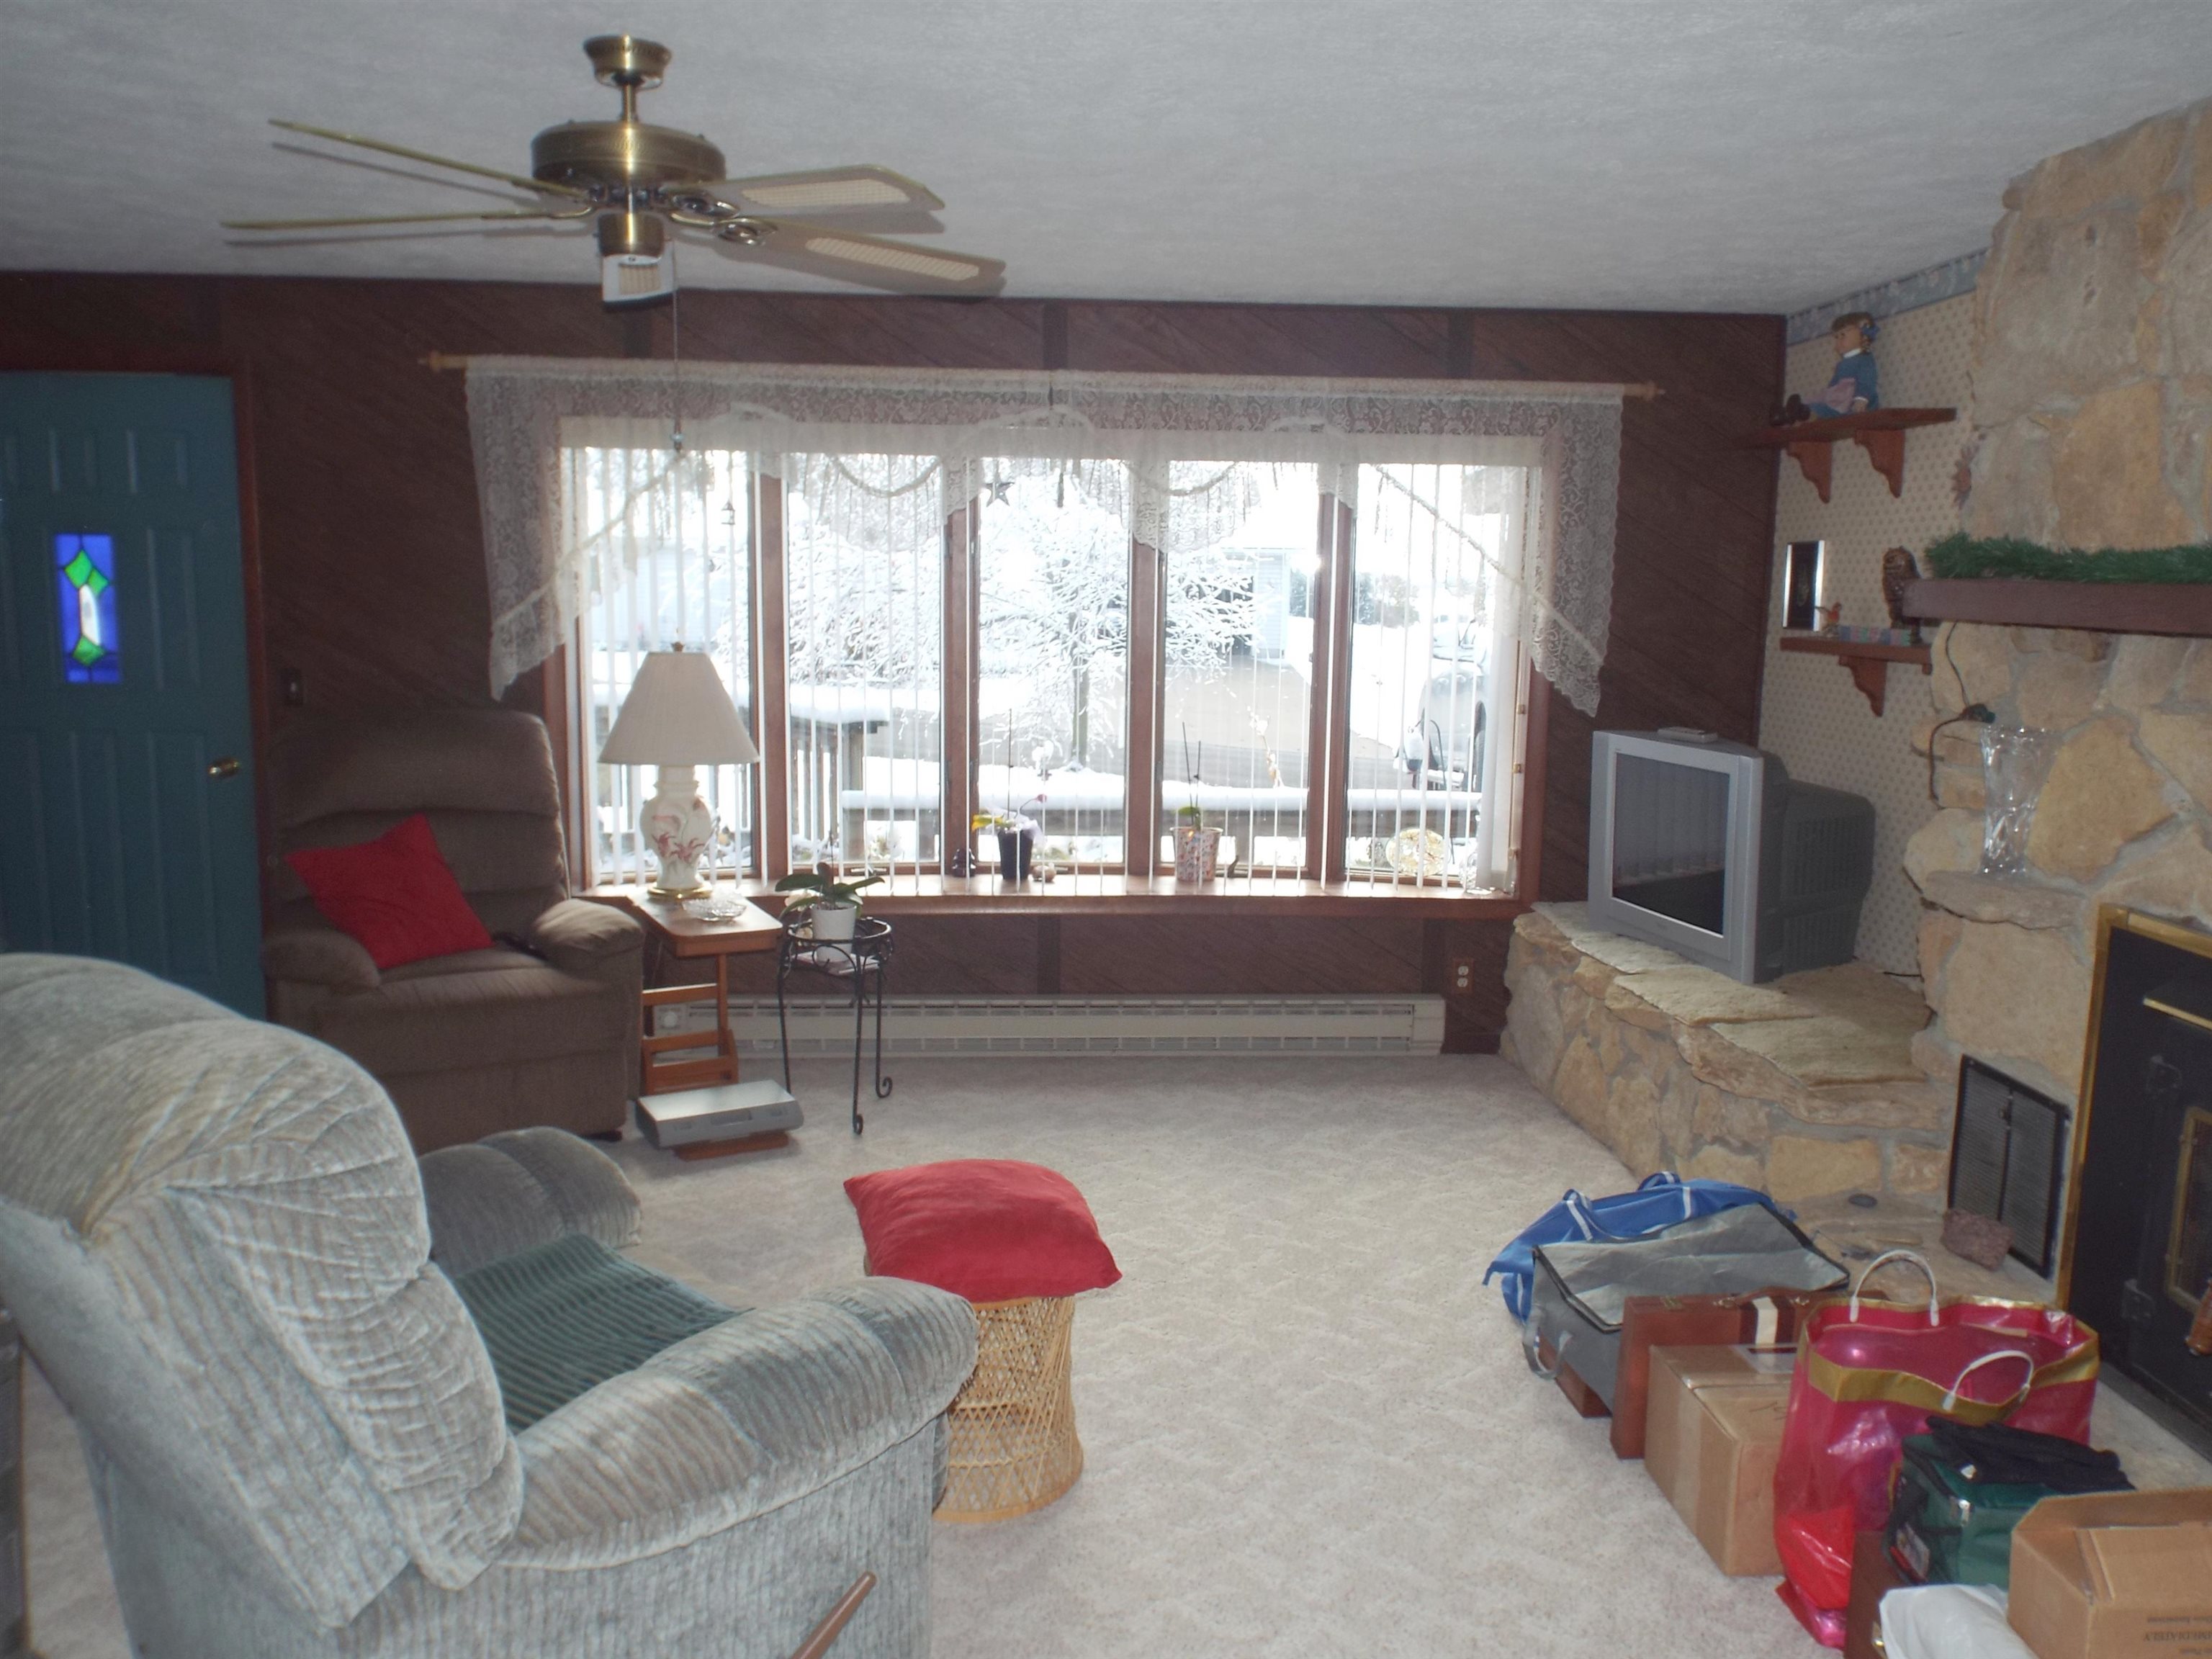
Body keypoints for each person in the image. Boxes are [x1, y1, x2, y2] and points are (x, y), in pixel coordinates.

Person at [1771, 311, 1881, 424]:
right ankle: (1786, 415)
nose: (1838, 341)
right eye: (1837, 337)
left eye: (1843, 335)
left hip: (1852, 401)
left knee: (1822, 409)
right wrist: (1828, 394)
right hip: (1840, 397)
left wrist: (1862, 398)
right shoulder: (1842, 363)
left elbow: (1867, 380)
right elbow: (1835, 383)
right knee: (1817, 403)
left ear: (1863, 336)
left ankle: (1801, 412)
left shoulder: (1864, 359)